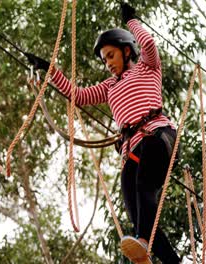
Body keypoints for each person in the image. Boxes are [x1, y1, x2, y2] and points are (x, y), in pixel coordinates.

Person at [25, 3, 181, 264]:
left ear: (127, 51)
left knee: (144, 185)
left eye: (111, 56)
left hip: (158, 136)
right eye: (104, 59)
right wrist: (48, 69)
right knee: (134, 205)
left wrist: (131, 21)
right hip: (133, 149)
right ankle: (165, 258)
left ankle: (143, 240)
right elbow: (78, 95)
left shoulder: (147, 68)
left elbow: (150, 46)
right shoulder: (109, 87)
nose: (108, 63)